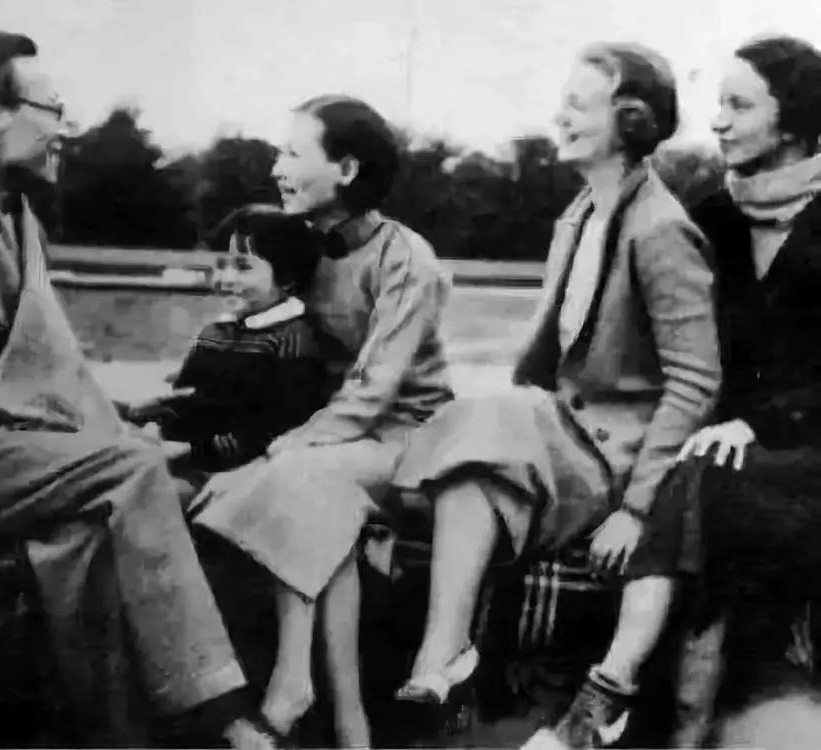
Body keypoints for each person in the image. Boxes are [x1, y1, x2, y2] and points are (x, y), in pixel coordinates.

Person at [0, 30, 274, 749]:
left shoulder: (10, 216)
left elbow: (27, 367)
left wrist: (113, 413)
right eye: (53, 108)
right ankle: (218, 715)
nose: (65, 127)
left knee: (111, 516)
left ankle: (121, 733)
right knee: (133, 469)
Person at [392, 43, 721, 749]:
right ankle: (442, 660)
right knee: (475, 472)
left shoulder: (661, 229)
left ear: (630, 121)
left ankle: (444, 658)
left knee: (486, 415)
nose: (558, 117)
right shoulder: (579, 214)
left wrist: (638, 508)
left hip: (612, 455)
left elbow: (696, 379)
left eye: (577, 105)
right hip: (559, 434)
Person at [189, 95, 453, 747]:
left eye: (291, 153)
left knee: (300, 479)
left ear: (347, 169)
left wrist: (282, 450)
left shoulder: (406, 258)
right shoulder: (300, 245)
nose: (276, 168)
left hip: (406, 435)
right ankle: (346, 721)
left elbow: (374, 389)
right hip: (328, 433)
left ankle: (295, 688)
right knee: (306, 492)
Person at [668, 35, 821, 739]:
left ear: (791, 122)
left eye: (739, 105)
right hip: (724, 437)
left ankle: (690, 712)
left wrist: (761, 423)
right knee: (703, 472)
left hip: (806, 442)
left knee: (719, 483)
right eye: (718, 103)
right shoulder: (711, 218)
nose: (718, 122)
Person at [128, 204, 330, 476]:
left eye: (243, 267)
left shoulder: (294, 340)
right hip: (185, 457)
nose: (226, 278)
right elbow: (191, 397)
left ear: (286, 276)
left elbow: (279, 428)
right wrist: (157, 412)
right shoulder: (215, 332)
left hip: (248, 470)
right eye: (221, 266)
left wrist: (190, 453)